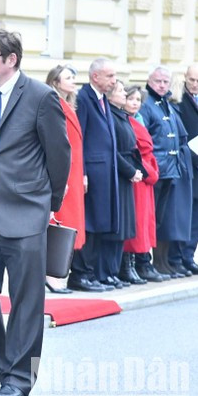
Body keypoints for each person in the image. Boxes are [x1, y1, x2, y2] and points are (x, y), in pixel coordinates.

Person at [0, 29, 70, 396]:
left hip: (25, 209)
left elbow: (59, 154)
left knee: (26, 297)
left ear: (12, 60)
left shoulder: (41, 97)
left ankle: (20, 376)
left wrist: (47, 202)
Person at [67, 58, 118, 293]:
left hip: (105, 173)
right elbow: (80, 138)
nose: (114, 81)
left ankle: (93, 272)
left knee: (100, 224)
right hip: (91, 174)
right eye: (110, 76)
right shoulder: (85, 99)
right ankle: (80, 274)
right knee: (88, 224)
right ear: (95, 76)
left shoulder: (102, 98)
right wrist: (83, 173)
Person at [139, 66, 193, 278]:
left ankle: (162, 262)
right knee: (150, 219)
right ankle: (148, 263)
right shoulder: (146, 104)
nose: (162, 85)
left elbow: (178, 134)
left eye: (165, 82)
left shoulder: (166, 104)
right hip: (155, 170)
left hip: (169, 169)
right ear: (149, 80)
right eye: (158, 81)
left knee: (162, 220)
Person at [44, 64, 86, 294]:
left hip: (75, 171)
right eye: (68, 77)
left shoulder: (69, 105)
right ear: (56, 82)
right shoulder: (53, 103)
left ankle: (59, 271)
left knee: (70, 221)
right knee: (60, 220)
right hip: (64, 172)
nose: (73, 81)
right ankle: (52, 272)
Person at [104, 80, 143, 287]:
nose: (125, 96)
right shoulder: (111, 114)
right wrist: (130, 170)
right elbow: (113, 149)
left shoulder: (121, 115)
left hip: (127, 172)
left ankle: (114, 271)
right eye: (121, 92)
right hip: (119, 174)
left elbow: (132, 146)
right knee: (117, 227)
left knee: (124, 226)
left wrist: (138, 169)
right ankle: (110, 271)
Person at [122, 85, 160, 283]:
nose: (135, 103)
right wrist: (147, 170)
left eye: (138, 100)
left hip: (146, 175)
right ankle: (128, 264)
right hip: (137, 175)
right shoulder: (124, 120)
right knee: (135, 222)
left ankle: (141, 262)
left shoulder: (139, 120)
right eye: (131, 99)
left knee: (144, 221)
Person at [176, 64, 198, 274]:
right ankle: (181, 256)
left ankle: (190, 255)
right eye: (191, 80)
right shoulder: (180, 101)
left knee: (197, 216)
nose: (194, 85)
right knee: (187, 212)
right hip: (189, 164)